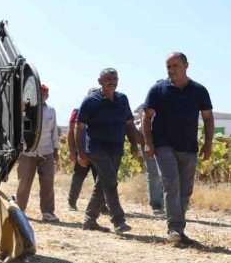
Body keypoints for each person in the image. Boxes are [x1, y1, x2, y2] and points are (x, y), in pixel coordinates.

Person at [141, 52, 214, 245]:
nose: (172, 70)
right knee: (171, 183)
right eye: (169, 67)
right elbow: (146, 117)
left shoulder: (199, 90)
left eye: (176, 66)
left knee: (186, 189)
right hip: (164, 144)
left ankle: (179, 229)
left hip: (189, 146)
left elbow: (207, 118)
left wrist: (208, 143)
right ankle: (173, 227)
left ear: (186, 65)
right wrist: (148, 142)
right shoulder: (157, 90)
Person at [75, 68, 141, 234]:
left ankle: (90, 220)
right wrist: (81, 153)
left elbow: (129, 124)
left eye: (114, 78)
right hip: (97, 148)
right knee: (110, 182)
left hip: (116, 148)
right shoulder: (90, 101)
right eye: (108, 78)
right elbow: (79, 128)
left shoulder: (122, 99)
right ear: (100, 81)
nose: (112, 81)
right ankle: (118, 221)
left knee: (102, 185)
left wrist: (134, 143)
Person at [15, 84, 60, 221]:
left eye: (44, 94)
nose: (41, 96)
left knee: (47, 183)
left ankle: (48, 213)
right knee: (24, 183)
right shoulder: (25, 110)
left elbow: (54, 133)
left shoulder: (51, 111)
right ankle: (19, 211)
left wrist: (56, 152)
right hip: (28, 153)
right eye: (39, 94)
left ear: (47, 95)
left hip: (46, 151)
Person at [66, 87, 100, 211]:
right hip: (83, 151)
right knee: (78, 178)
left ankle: (102, 206)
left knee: (100, 179)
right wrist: (72, 151)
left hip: (98, 151)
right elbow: (71, 132)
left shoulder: (102, 112)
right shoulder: (77, 111)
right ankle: (71, 203)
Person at [134, 101, 164, 214]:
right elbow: (142, 125)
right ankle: (156, 204)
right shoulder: (147, 104)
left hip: (165, 144)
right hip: (148, 143)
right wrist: (147, 143)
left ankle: (165, 202)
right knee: (154, 173)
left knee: (166, 173)